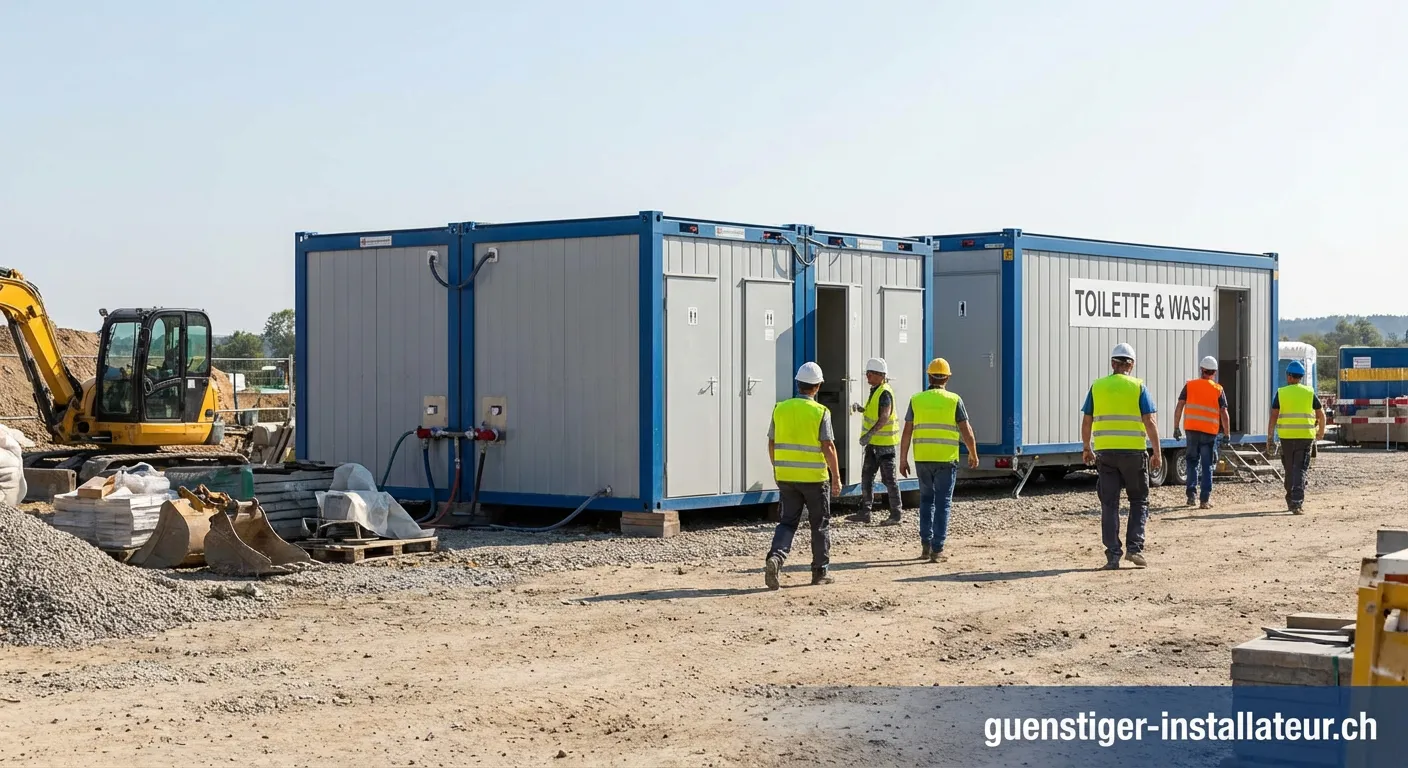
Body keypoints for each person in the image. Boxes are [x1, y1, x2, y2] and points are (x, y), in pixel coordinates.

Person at [1081, 343, 1162, 570]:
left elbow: (1087, 421)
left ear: (1112, 364)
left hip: (1105, 453)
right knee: (1138, 500)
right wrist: (1157, 452)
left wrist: (1087, 447)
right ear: (1131, 365)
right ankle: (1134, 549)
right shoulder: (1138, 387)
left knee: (1109, 504)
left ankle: (1113, 555)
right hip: (1133, 453)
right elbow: (1150, 421)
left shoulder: (1097, 387)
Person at [764, 362, 843, 590]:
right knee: (819, 525)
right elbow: (828, 446)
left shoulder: (780, 408)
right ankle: (820, 572)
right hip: (815, 479)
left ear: (797, 384)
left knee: (787, 522)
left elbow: (772, 442)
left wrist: (777, 468)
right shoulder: (820, 412)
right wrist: (836, 477)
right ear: (817, 387)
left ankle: (776, 558)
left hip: (786, 476)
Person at [899, 358, 978, 563]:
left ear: (929, 376)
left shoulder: (916, 399)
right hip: (946, 460)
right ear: (948, 378)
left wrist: (903, 459)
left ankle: (925, 546)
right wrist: (973, 452)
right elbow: (966, 430)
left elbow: (907, 431)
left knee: (926, 501)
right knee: (943, 503)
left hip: (923, 459)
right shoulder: (954, 400)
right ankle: (938, 549)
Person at [1266, 360, 1326, 515]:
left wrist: (1270, 437)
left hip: (1286, 437)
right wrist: (1320, 432)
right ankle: (1297, 503)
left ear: (1289, 376)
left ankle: (1290, 498)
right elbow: (1321, 415)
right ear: (1301, 377)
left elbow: (1274, 416)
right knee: (1300, 469)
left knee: (1289, 469)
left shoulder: (1282, 393)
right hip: (1305, 437)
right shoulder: (1309, 392)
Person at [1172, 356, 1231, 509]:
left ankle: (1191, 496)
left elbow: (1179, 406)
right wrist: (1227, 433)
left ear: (1201, 370)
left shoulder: (1190, 386)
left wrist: (1176, 427)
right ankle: (1204, 500)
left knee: (1192, 462)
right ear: (1215, 372)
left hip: (1191, 430)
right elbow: (1224, 413)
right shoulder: (1218, 389)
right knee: (1207, 465)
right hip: (1209, 433)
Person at [848, 357, 902, 525]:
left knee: (889, 480)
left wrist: (868, 434)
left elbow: (884, 417)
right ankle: (865, 511)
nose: (867, 377)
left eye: (870, 374)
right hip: (874, 445)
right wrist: (862, 409)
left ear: (880, 375)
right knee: (867, 477)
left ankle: (896, 514)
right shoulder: (876, 390)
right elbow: (875, 412)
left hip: (884, 446)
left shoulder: (884, 392)